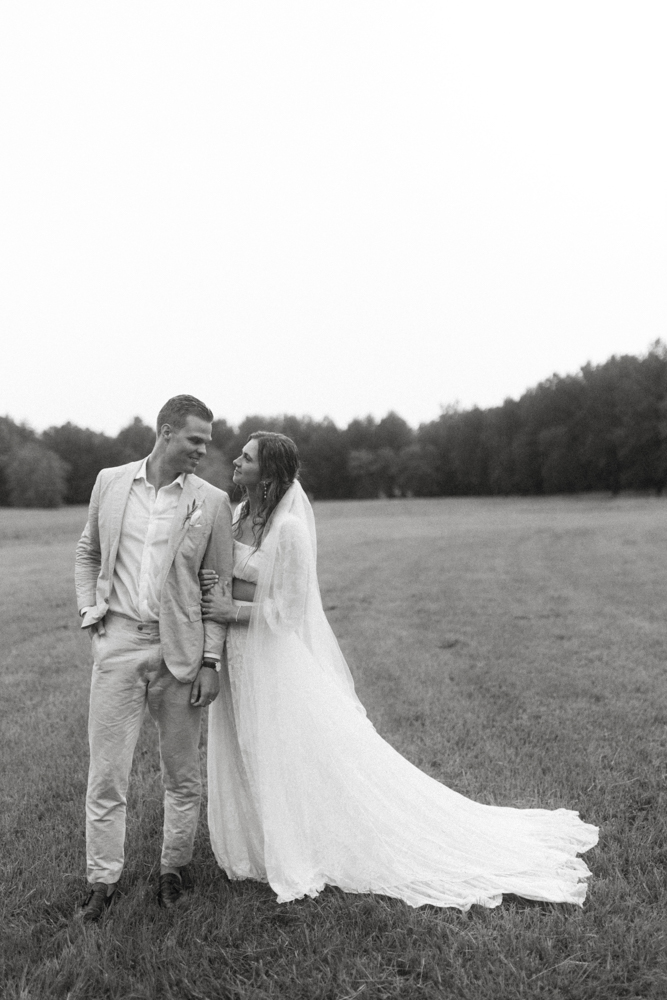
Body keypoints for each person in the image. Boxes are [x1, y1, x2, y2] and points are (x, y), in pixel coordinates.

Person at [202, 431, 598, 911]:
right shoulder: (239, 516)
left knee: (283, 750)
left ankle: (302, 842)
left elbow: (288, 612)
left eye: (247, 458)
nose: (237, 462)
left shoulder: (290, 531)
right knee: (249, 746)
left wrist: (229, 612)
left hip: (271, 659)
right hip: (236, 659)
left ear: (269, 474)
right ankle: (259, 842)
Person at [74, 394, 233, 921]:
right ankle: (102, 881)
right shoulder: (110, 482)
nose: (204, 451)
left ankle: (174, 870)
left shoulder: (211, 501)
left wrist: (210, 660)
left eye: (207, 443)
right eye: (195, 440)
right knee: (106, 774)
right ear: (165, 432)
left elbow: (217, 588)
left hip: (180, 652)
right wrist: (90, 611)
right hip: (118, 644)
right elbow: (88, 550)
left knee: (181, 775)